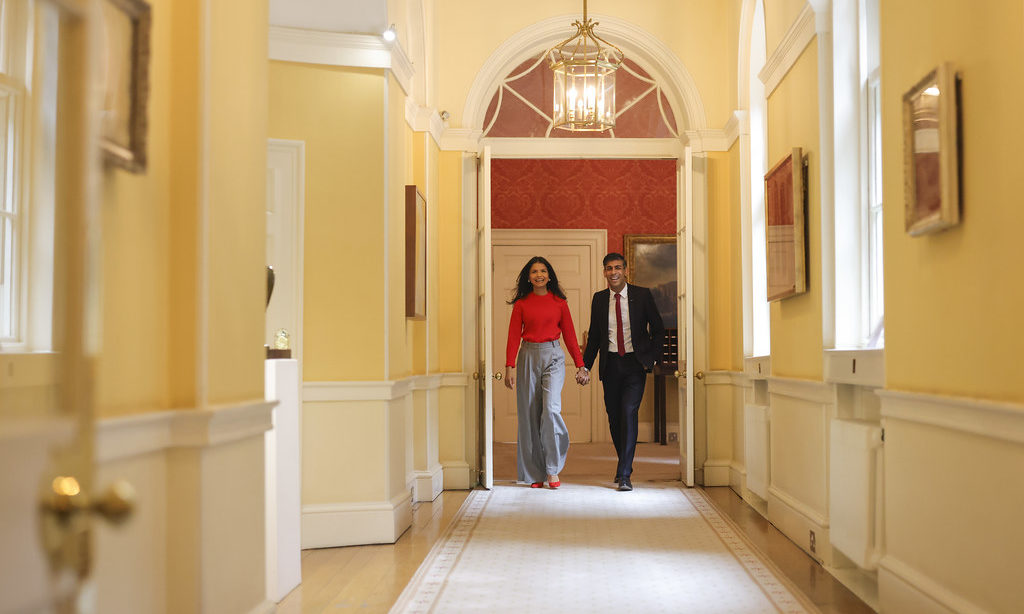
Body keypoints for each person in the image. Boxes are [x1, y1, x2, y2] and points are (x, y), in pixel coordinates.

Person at [579, 252, 665, 492]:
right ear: (604, 272)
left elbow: (658, 329)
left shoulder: (642, 295)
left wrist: (651, 356)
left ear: (625, 270)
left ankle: (624, 473)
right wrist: (585, 365)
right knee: (615, 417)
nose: (613, 272)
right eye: (608, 268)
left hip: (634, 364)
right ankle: (624, 462)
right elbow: (595, 337)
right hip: (611, 365)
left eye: (617, 267)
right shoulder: (598, 299)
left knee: (628, 412)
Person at [504, 256, 588, 489]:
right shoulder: (522, 303)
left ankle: (552, 469)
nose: (538, 274)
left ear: (549, 275)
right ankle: (535, 473)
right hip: (528, 355)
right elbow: (513, 336)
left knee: (550, 410)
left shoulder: (560, 302)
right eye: (534, 271)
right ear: (528, 277)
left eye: (543, 271)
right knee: (530, 415)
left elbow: (570, 336)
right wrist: (509, 366)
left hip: (553, 355)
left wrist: (580, 364)